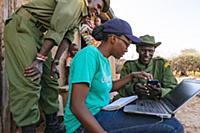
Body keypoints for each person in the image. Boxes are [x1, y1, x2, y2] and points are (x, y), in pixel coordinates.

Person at [4, 0, 110, 132]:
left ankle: (52, 126)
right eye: (98, 6)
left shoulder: (80, 15)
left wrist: (55, 62)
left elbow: (67, 38)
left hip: (38, 34)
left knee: (50, 79)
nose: (98, 12)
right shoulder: (77, 3)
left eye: (101, 11)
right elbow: (57, 29)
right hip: (22, 26)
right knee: (30, 78)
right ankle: (28, 128)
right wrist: (40, 59)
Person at [64, 18, 184, 133]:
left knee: (163, 119)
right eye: (126, 43)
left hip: (102, 112)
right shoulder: (89, 55)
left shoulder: (104, 60)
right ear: (113, 38)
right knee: (173, 127)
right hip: (83, 123)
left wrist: (131, 76)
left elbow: (108, 87)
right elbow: (77, 105)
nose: (127, 49)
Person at [114, 34, 177, 100]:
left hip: (157, 102)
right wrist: (134, 88)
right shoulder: (129, 66)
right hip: (134, 102)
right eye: (143, 50)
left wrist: (160, 91)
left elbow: (173, 88)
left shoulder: (162, 65)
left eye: (150, 51)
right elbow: (121, 90)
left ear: (154, 50)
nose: (147, 54)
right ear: (137, 50)